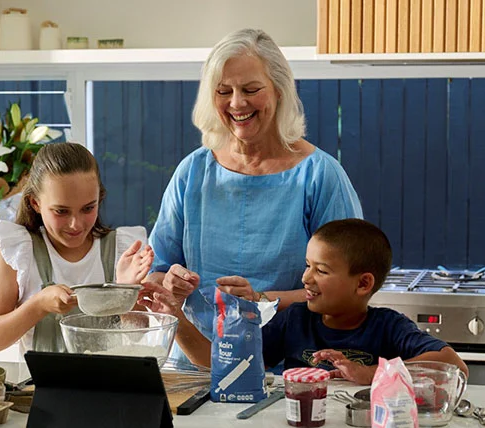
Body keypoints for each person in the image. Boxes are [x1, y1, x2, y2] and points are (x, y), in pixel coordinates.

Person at [146, 28, 363, 362]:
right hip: (193, 363)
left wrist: (262, 298)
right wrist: (170, 282)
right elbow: (157, 271)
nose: (236, 103)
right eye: (223, 91)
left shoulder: (320, 176)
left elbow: (343, 293)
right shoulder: (192, 172)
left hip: (288, 366)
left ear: (278, 90)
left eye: (250, 89)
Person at [141, 219, 469, 385]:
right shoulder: (294, 320)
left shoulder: (388, 326)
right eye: (307, 265)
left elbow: (453, 365)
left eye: (321, 270)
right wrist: (177, 321)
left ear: (363, 283)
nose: (305, 279)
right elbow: (225, 367)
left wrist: (370, 373)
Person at [0, 142, 154, 355]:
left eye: (88, 208)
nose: (76, 224)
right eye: (61, 211)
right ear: (35, 203)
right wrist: (38, 305)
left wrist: (126, 293)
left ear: (99, 198)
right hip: (39, 387)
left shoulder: (121, 251)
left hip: (109, 385)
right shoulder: (18, 250)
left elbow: (138, 334)